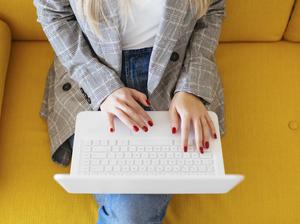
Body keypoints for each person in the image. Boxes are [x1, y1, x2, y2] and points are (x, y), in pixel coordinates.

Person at [34, 0, 226, 223]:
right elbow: (53, 13)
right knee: (129, 212)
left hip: (175, 74)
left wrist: (191, 87)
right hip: (91, 68)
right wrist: (103, 88)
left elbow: (213, 8)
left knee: (131, 212)